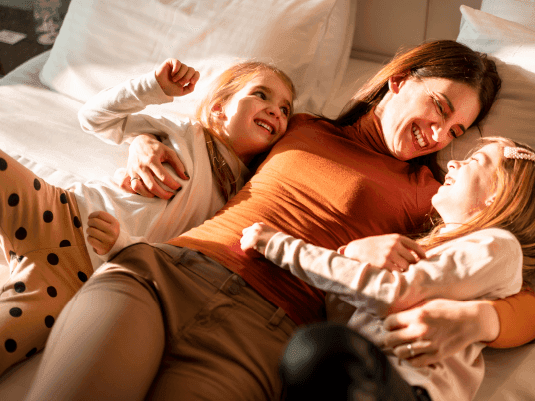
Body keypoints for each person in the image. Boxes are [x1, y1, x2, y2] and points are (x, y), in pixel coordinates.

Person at [24, 39, 500, 401]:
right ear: (401, 80)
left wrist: (483, 319)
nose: (437, 135)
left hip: (265, 330)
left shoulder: (434, 195)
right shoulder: (299, 125)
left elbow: (504, 269)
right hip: (164, 272)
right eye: (439, 107)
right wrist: (143, 141)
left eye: (455, 130)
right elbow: (208, 138)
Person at [0, 58, 295, 376]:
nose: (276, 111)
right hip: (60, 210)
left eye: (286, 109)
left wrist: (124, 246)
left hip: (81, 276)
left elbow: (181, 261)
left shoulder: (243, 198)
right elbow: (94, 117)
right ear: (218, 109)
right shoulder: (185, 133)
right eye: (261, 95)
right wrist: (153, 89)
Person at [240, 137, 535, 401]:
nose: (455, 162)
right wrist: (353, 253)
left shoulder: (500, 247)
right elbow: (345, 309)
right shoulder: (426, 248)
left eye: (474, 161)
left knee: (316, 350)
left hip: (409, 387)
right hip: (365, 372)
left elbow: (391, 294)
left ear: (496, 193)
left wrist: (279, 246)